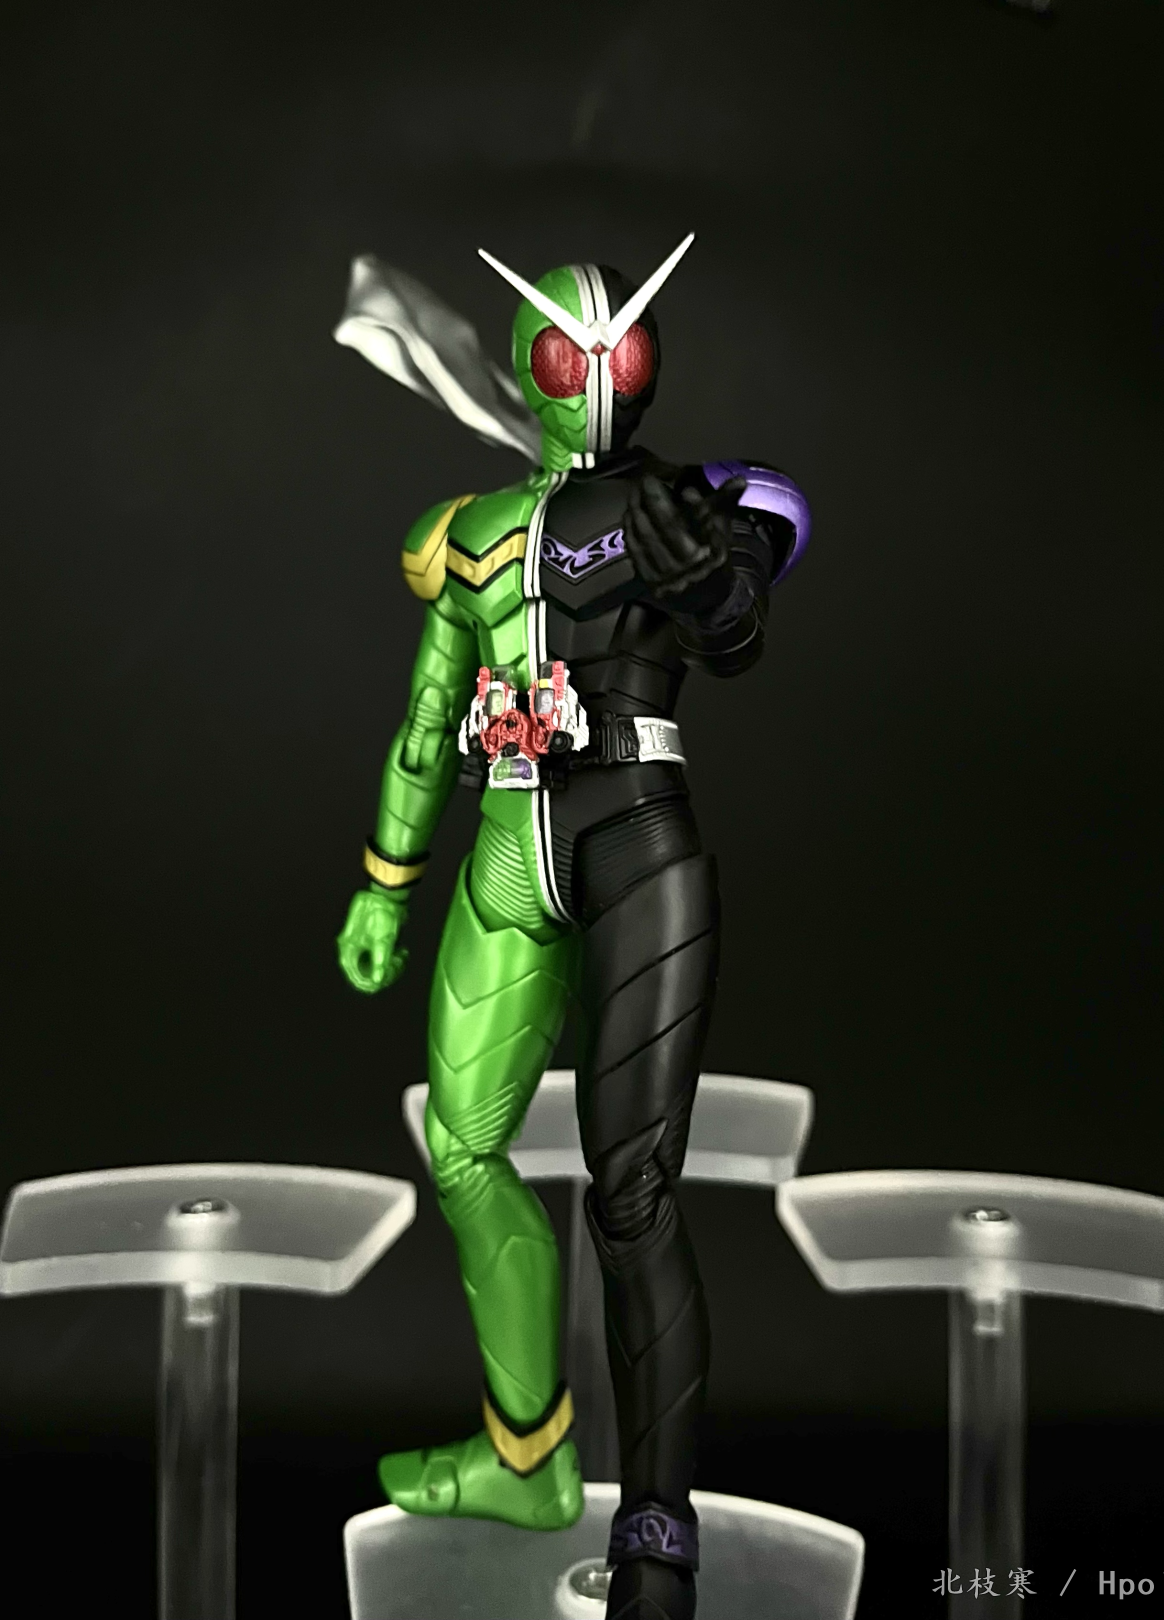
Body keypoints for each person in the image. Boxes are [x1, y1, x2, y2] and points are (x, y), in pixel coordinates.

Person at [336, 241, 808, 1620]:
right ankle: (525, 1453)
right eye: (570, 354)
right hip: (505, 844)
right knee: (463, 1147)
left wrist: (707, 576)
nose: (597, 374)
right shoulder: (468, 533)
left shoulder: (682, 503)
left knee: (630, 1190)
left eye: (624, 353)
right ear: (533, 367)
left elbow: (742, 608)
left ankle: (657, 1532)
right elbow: (430, 717)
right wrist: (384, 879)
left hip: (634, 836)